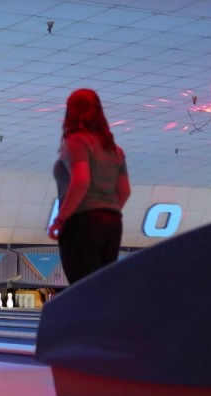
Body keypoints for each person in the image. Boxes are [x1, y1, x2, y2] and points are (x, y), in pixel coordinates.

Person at [48, 88, 130, 284]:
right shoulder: (114, 149)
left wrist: (60, 220)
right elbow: (124, 191)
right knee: (102, 288)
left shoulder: (76, 141)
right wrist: (106, 210)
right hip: (112, 224)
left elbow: (81, 180)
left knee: (83, 288)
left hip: (82, 224)